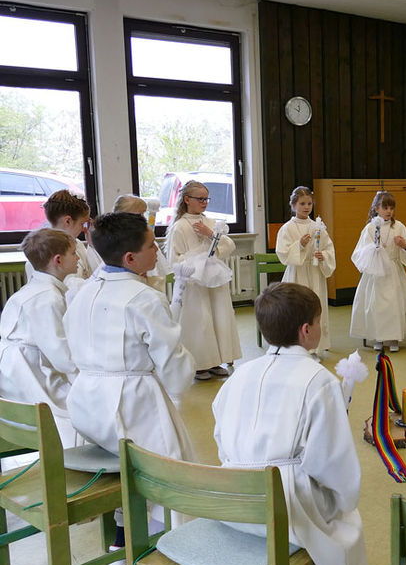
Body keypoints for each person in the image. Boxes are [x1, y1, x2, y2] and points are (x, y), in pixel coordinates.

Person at [212, 283, 374, 565]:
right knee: (343, 524)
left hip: (233, 503)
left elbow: (221, 439)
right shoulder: (319, 381)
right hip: (284, 509)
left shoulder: (239, 375)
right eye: (319, 321)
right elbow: (333, 465)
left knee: (320, 508)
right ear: (307, 330)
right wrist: (343, 502)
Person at [64, 212, 195, 461]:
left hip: (85, 405)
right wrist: (182, 375)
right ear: (130, 258)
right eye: (151, 244)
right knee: (166, 464)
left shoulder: (83, 291)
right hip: (133, 405)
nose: (157, 249)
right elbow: (173, 366)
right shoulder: (145, 298)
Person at [0, 229, 81, 446]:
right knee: (84, 410)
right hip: (28, 376)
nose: (79, 258)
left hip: (14, 373)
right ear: (58, 260)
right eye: (74, 253)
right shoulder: (47, 298)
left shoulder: (33, 289)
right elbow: (63, 357)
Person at [164, 180, 242, 380]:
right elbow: (174, 259)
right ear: (187, 200)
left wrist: (210, 235)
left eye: (207, 199)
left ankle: (216, 360)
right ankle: (200, 364)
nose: (205, 202)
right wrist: (198, 257)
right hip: (195, 282)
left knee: (218, 316)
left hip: (214, 279)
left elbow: (228, 245)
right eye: (200, 199)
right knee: (200, 320)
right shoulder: (180, 226)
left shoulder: (210, 222)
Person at [349, 190, 406, 352]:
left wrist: (404, 245)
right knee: (376, 304)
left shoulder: (399, 226)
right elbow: (359, 252)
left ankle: (394, 338)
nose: (389, 212)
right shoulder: (370, 228)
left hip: (393, 271)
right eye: (385, 208)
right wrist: (373, 249)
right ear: (376, 209)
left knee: (395, 303)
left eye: (391, 208)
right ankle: (378, 337)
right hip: (375, 272)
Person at [275, 186, 336, 356]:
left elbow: (329, 248)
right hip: (297, 274)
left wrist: (322, 255)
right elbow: (283, 253)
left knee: (315, 309)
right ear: (293, 205)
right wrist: (299, 245)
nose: (306, 207)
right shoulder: (288, 228)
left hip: (315, 273)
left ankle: (314, 348)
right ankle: (297, 347)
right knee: (298, 309)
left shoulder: (318, 226)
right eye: (302, 203)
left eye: (309, 203)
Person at [87, 194, 170, 293]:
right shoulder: (110, 244)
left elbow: (161, 272)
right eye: (139, 216)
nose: (143, 219)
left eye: (144, 214)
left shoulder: (145, 239)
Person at [25, 189, 92, 281]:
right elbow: (72, 289)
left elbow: (90, 273)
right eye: (82, 224)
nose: (84, 229)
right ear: (68, 221)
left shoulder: (78, 244)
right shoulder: (44, 254)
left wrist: (92, 244)